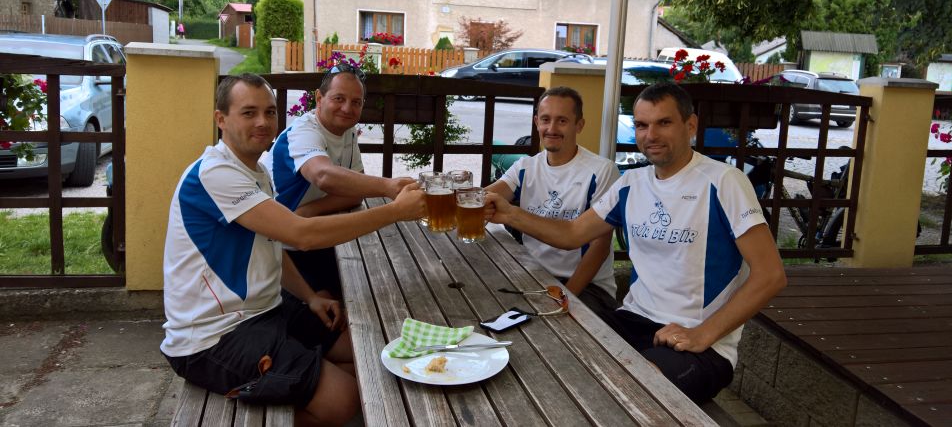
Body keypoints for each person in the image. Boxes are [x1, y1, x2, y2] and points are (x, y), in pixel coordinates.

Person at [484, 82, 786, 403]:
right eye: (642, 125)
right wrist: (510, 214)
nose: (650, 135)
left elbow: (770, 276)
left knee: (626, 392)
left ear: (690, 125)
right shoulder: (631, 183)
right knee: (546, 349)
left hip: (700, 343)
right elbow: (572, 234)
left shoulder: (724, 181)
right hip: (631, 320)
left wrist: (703, 334)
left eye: (663, 123)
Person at [160, 73, 425, 426]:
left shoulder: (255, 170)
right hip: (213, 337)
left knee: (362, 349)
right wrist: (394, 211)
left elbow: (271, 244)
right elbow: (301, 235)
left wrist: (309, 296)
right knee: (345, 400)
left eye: (270, 112)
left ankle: (294, 383)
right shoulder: (214, 174)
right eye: (249, 113)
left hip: (265, 309)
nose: (262, 122)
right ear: (221, 119)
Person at [262, 65, 416, 294]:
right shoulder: (303, 132)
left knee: (388, 277)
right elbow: (323, 175)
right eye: (339, 99)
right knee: (361, 292)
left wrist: (310, 210)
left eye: (356, 102)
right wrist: (388, 186)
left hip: (313, 233)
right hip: (281, 249)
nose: (347, 108)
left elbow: (355, 193)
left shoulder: (347, 132)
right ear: (319, 98)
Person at [486, 86, 619, 315]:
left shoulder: (602, 171)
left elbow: (601, 246)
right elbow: (484, 198)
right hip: (535, 276)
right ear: (536, 122)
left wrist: (566, 297)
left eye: (562, 121)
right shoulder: (525, 167)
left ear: (579, 125)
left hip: (587, 287)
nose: (552, 128)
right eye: (546, 120)